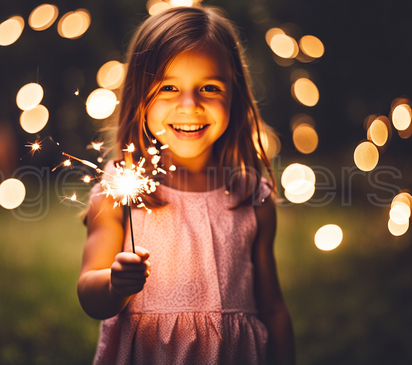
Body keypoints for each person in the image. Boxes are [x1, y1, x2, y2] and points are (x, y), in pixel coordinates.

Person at [77, 5, 295, 365]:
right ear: (139, 96)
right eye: (168, 87)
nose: (190, 105)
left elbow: (273, 309)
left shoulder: (253, 198)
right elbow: (89, 295)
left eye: (209, 87)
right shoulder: (119, 191)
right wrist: (114, 285)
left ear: (235, 96)